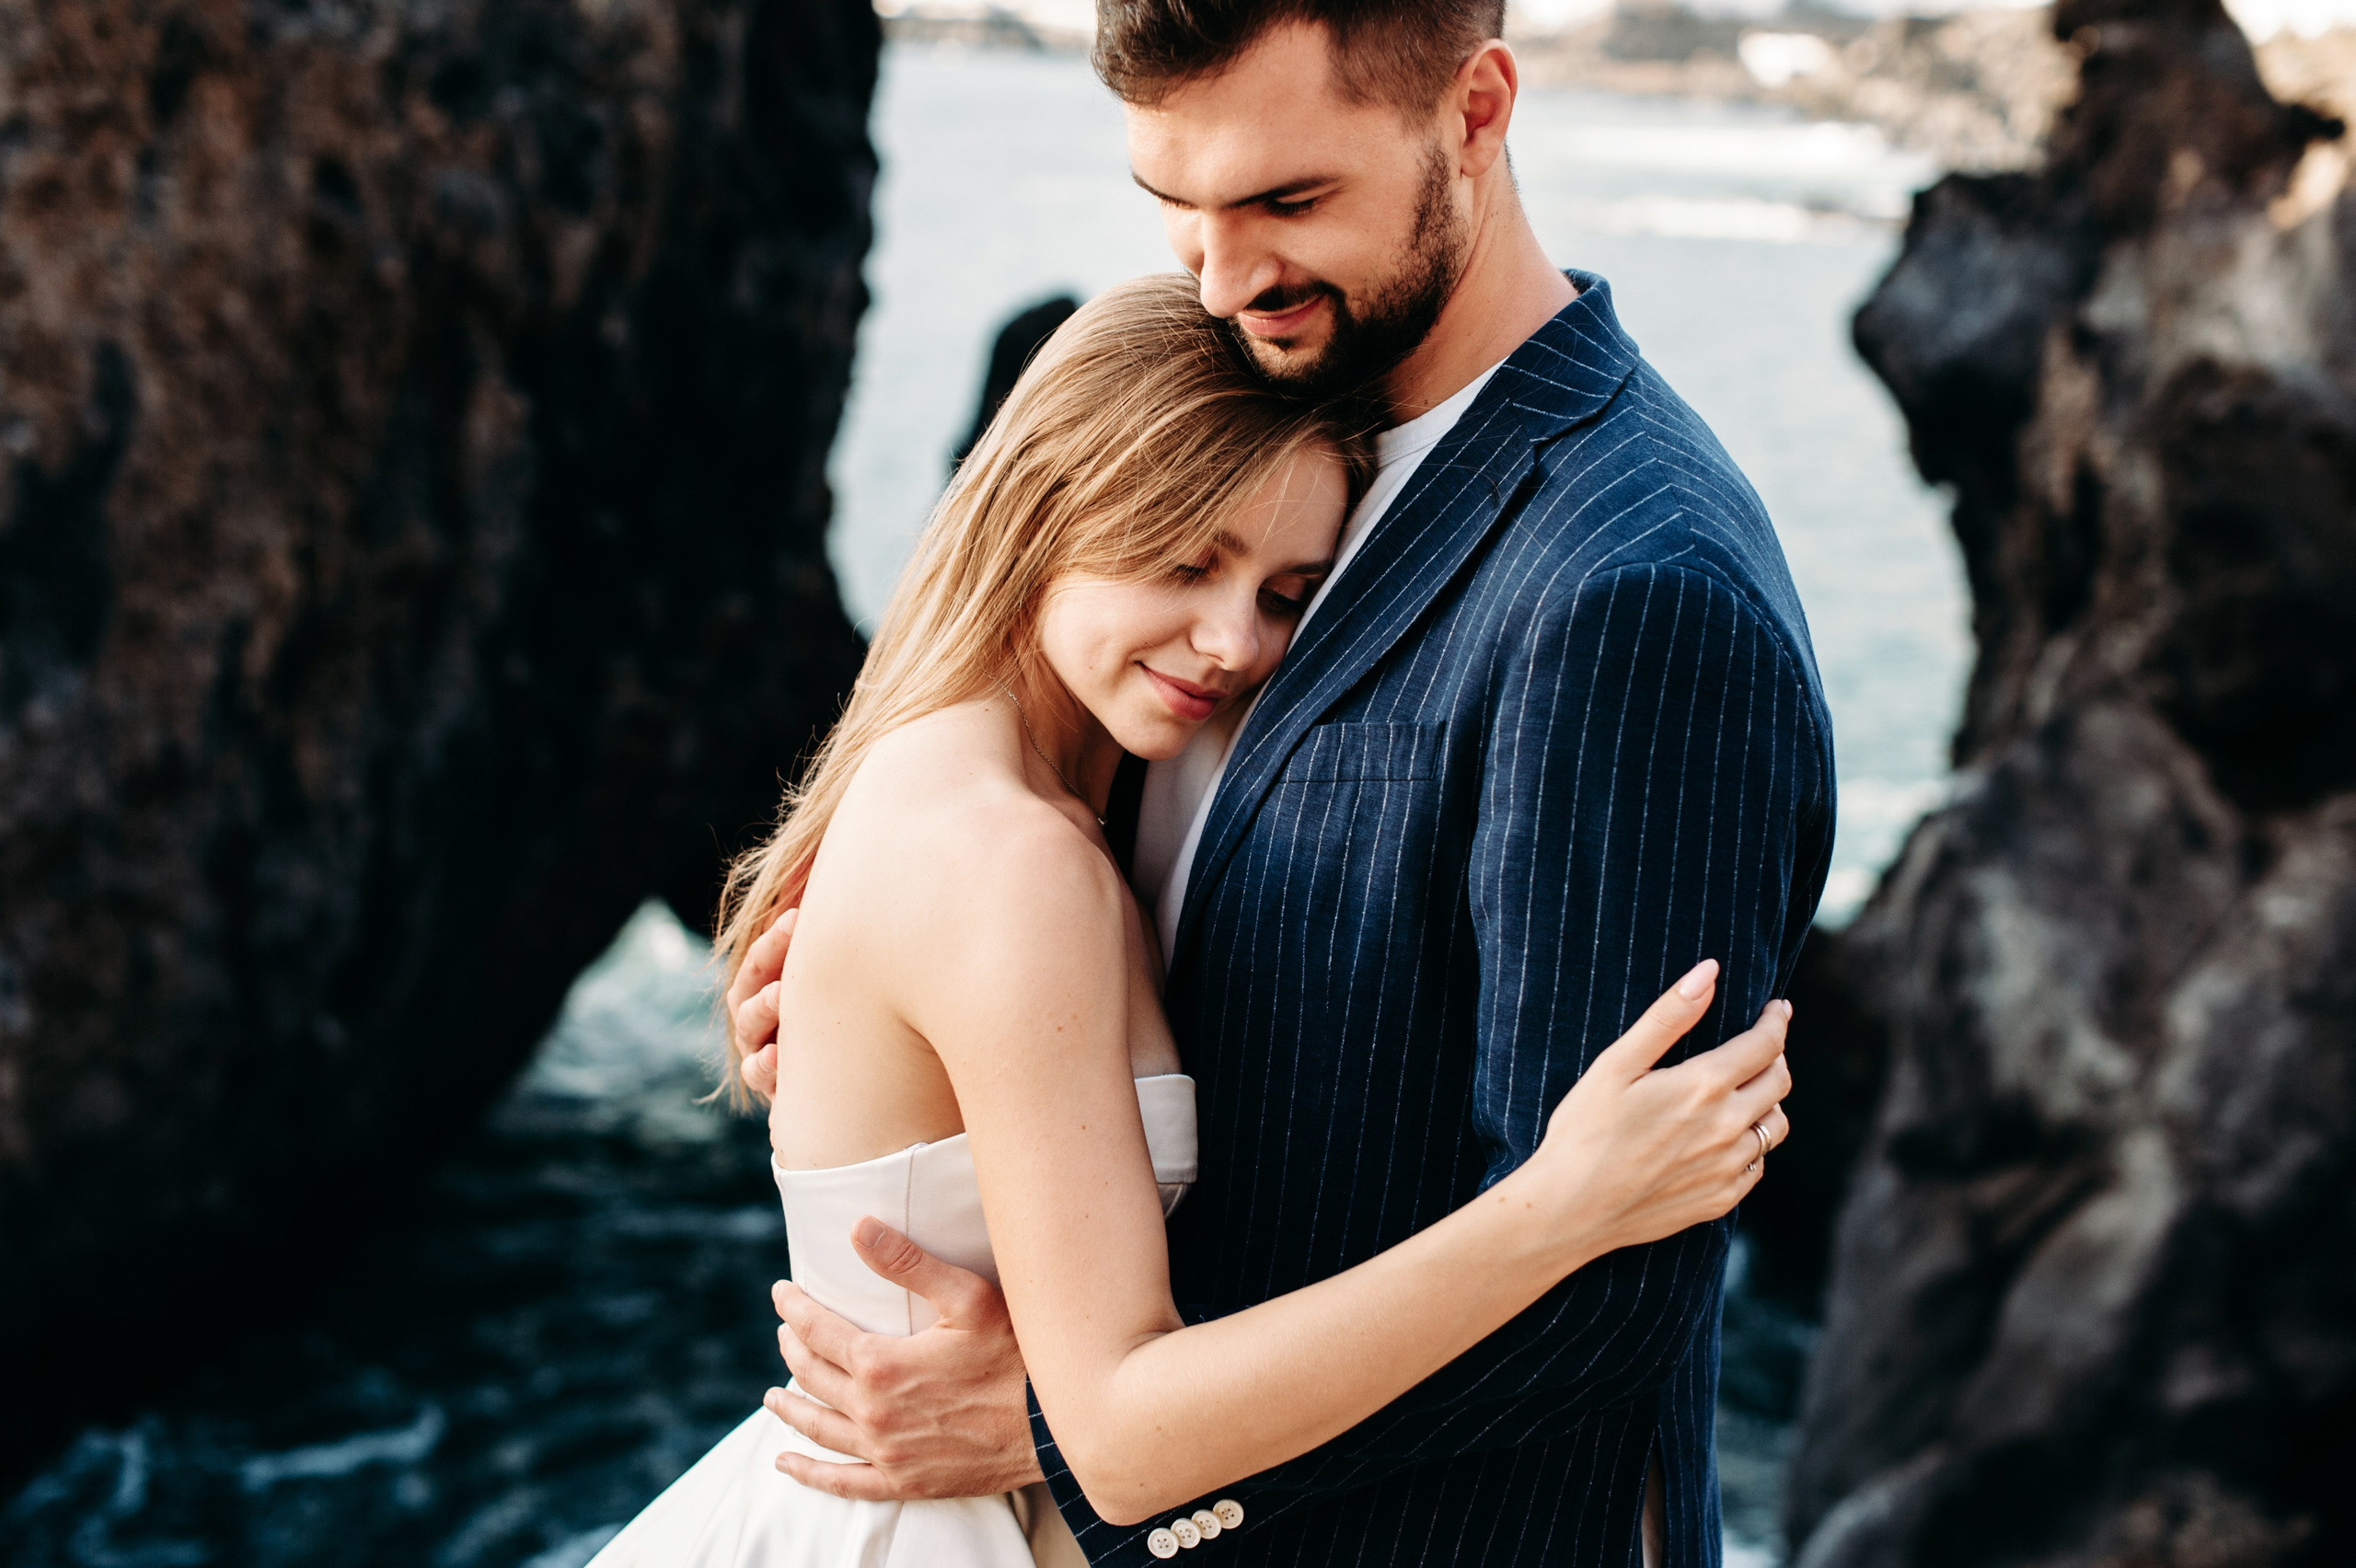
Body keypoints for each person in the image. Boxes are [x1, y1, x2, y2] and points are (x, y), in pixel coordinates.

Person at [725, 6, 1837, 1567]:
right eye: (1175, 207)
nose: (1224, 277)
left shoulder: (1628, 593)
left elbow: (1607, 1300)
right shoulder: (1263, 440)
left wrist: (1071, 1435)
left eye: (1286, 203)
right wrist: (883, 1027)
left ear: (1477, 108)